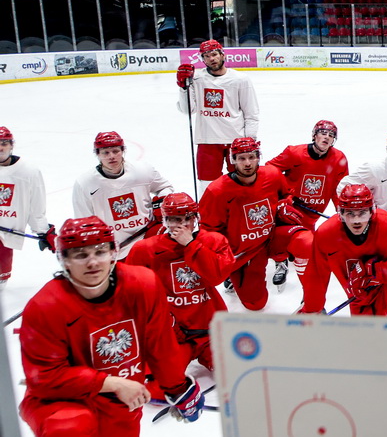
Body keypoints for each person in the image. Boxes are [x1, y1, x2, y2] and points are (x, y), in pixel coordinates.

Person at [19, 217, 205, 437]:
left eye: (100, 251)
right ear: (62, 260)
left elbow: (159, 342)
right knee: (66, 432)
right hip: (60, 399)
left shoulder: (142, 284)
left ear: (114, 252)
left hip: (118, 401)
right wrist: (113, 383)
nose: (92, 262)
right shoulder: (45, 306)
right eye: (79, 254)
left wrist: (178, 388)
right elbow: (44, 378)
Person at [125, 192, 236, 372]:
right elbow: (132, 293)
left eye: (188, 218)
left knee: (231, 371)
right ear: (166, 220)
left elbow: (217, 277)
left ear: (196, 218)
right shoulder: (145, 249)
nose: (183, 225)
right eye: (176, 219)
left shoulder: (214, 241)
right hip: (172, 332)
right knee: (160, 386)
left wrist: (191, 244)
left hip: (209, 328)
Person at [199, 137, 313, 311]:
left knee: (306, 241)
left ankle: (311, 298)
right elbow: (207, 230)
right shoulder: (217, 191)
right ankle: (236, 275)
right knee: (255, 304)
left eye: (252, 157)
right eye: (242, 158)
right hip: (244, 252)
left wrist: (285, 204)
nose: (247, 163)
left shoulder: (272, 175)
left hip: (272, 236)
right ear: (233, 160)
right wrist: (224, 258)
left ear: (258, 157)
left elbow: (286, 195)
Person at [300, 184, 387, 318]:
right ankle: (386, 314)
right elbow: (316, 275)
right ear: (341, 214)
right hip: (360, 293)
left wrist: (374, 270)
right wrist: (311, 311)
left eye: (362, 213)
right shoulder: (326, 234)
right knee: (368, 335)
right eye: (350, 213)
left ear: (371, 212)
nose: (356, 220)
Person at [266, 119, 350, 288]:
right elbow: (269, 170)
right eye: (323, 133)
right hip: (290, 210)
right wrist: (283, 197)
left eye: (331, 135)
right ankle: (280, 262)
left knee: (307, 247)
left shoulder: (339, 158)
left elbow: (339, 187)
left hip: (313, 212)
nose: (327, 137)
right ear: (314, 135)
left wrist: (343, 209)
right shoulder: (294, 153)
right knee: (279, 238)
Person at [71, 131, 173, 259]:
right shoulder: (85, 183)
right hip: (113, 251)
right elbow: (83, 222)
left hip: (146, 240)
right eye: (105, 153)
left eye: (115, 151)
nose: (111, 156)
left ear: (123, 150)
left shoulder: (143, 171)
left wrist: (161, 203)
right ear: (97, 154)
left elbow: (165, 187)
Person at [175, 39, 260, 191]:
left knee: (242, 184)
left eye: (214, 54)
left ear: (223, 55)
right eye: (206, 56)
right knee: (207, 186)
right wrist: (183, 87)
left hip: (236, 141)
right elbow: (187, 110)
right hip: (207, 140)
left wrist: (250, 141)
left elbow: (251, 113)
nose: (211, 59)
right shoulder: (196, 79)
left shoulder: (240, 79)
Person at [0, 126, 56, 288]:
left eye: (4, 143)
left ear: (12, 145)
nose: (0, 147)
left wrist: (43, 231)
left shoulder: (28, 172)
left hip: (6, 238)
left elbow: (36, 207)